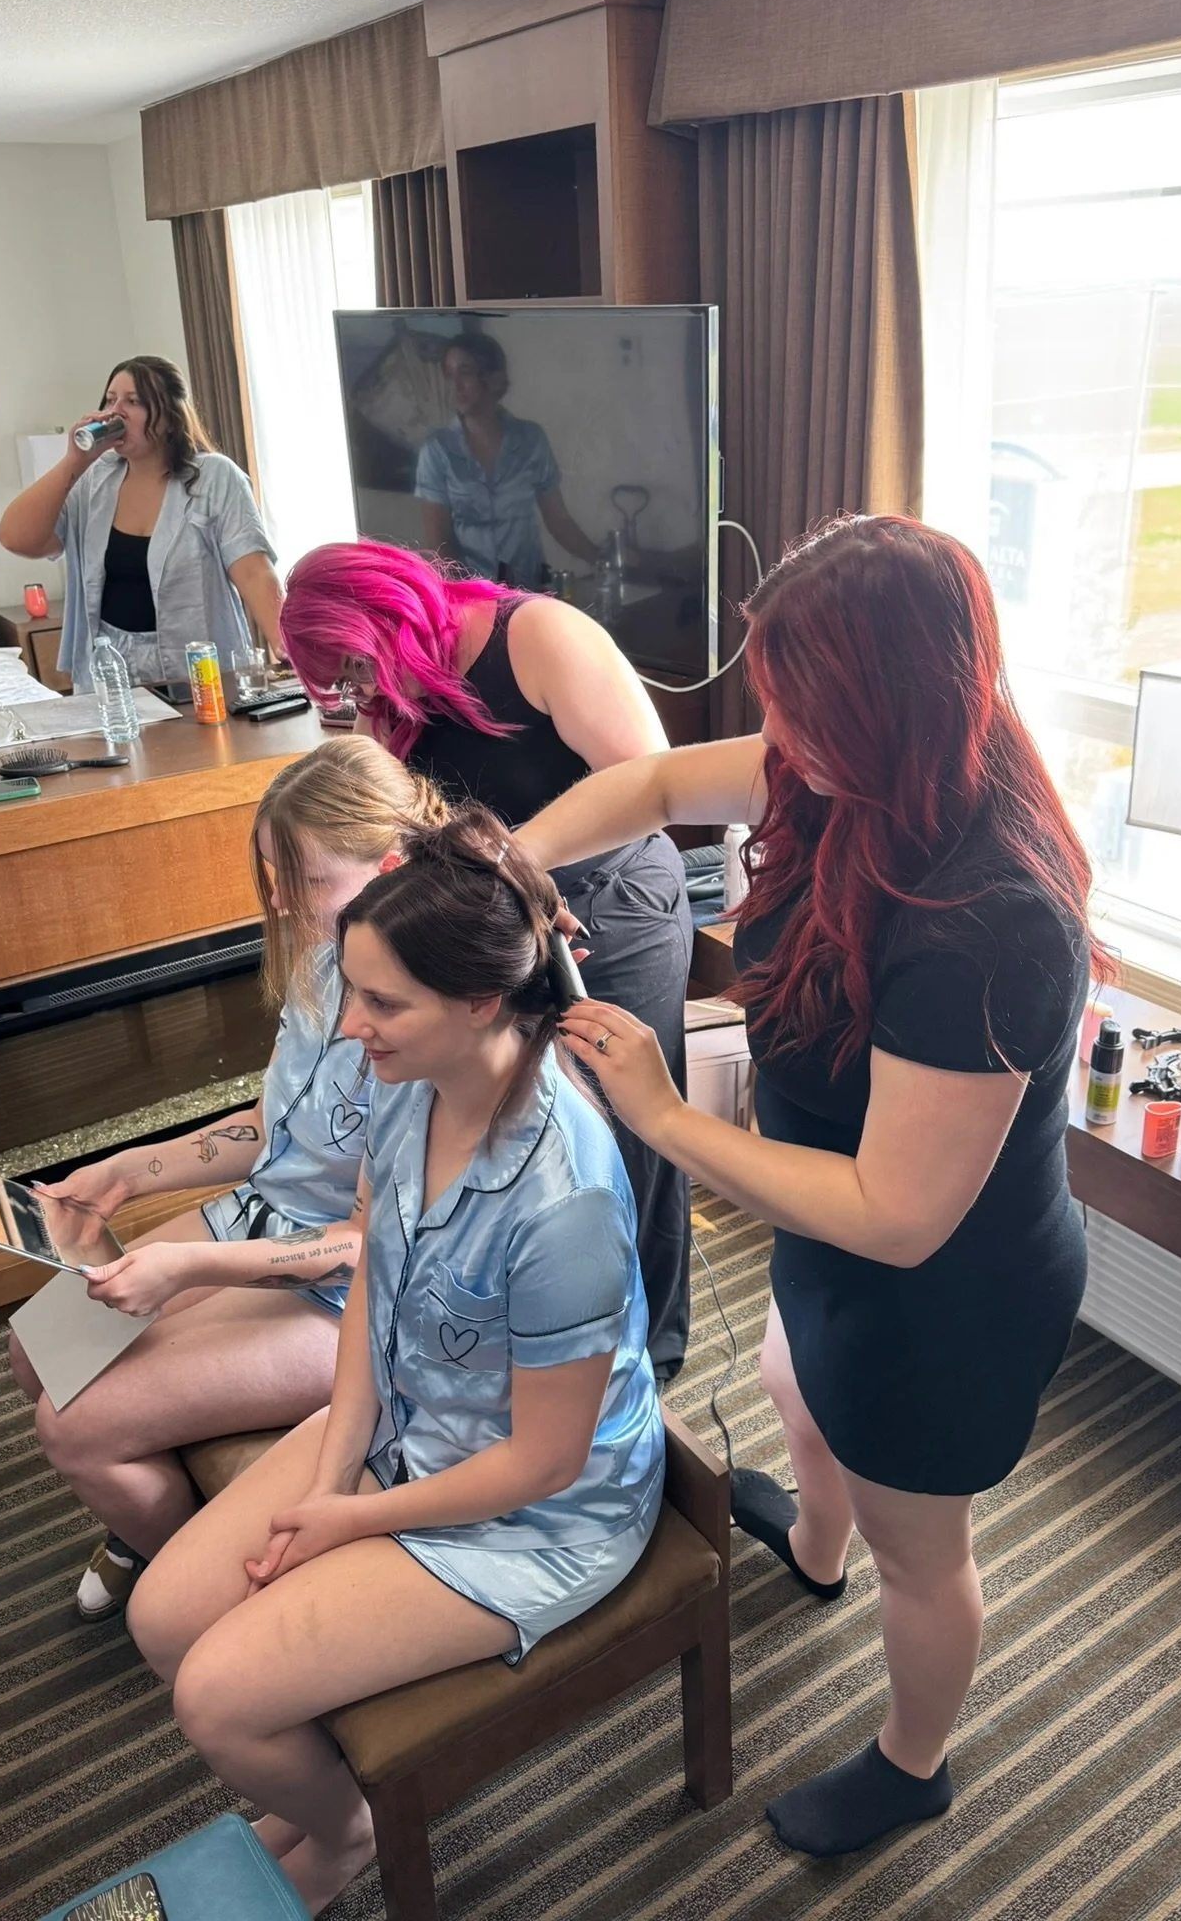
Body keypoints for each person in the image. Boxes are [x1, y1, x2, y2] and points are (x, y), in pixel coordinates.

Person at [512, 515, 1097, 1859]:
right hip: (823, 1210)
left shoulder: (992, 925)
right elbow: (654, 789)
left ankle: (913, 1763)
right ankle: (817, 1549)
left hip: (940, 1290)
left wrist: (659, 1112)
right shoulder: (839, 773)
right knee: (792, 1383)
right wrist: (512, 863)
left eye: (802, 711)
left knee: (923, 1549)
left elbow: (898, 1216)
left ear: (897, 704)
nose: (778, 742)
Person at [126, 807, 664, 1916]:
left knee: (219, 1698)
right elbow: (371, 1275)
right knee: (164, 1619)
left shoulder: (561, 1198)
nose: (353, 1024)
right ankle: (328, 1790)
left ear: (480, 1001)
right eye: (353, 989)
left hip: (535, 1516)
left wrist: (350, 1520)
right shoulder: (408, 1087)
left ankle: (343, 1829)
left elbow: (544, 1464)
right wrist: (330, 1472)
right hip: (412, 1425)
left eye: (382, 1001)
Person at [7, 737, 445, 1619]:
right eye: (272, 877)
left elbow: (367, 1242)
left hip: (366, 1295)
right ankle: (174, 1510)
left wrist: (192, 1269)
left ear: (391, 864)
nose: (281, 900)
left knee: (74, 1426)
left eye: (304, 879)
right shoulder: (333, 949)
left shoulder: (431, 1017)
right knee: (36, 1347)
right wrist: (134, 1168)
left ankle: (190, 1582)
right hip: (273, 1220)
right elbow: (279, 1120)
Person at [280, 541, 695, 1381]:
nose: (356, 692)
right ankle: (548, 1342)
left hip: (613, 903)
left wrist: (515, 860)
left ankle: (650, 1354)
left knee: (627, 1130)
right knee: (526, 1132)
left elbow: (655, 781)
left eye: (355, 666)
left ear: (387, 614)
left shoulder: (538, 636)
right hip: (495, 923)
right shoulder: (394, 695)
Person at [0, 355, 283, 691]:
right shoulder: (94, 479)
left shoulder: (216, 477)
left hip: (197, 668)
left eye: (133, 401)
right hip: (110, 672)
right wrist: (74, 462)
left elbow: (253, 571)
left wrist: (288, 645)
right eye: (110, 399)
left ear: (171, 416)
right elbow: (16, 538)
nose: (116, 411)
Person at [415, 330, 599, 590]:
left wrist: (602, 560)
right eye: (450, 374)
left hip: (529, 593)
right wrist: (471, 601)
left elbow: (559, 521)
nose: (455, 385)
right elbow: (438, 546)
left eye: (465, 372)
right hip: (471, 599)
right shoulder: (437, 450)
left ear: (494, 379)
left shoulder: (531, 439)